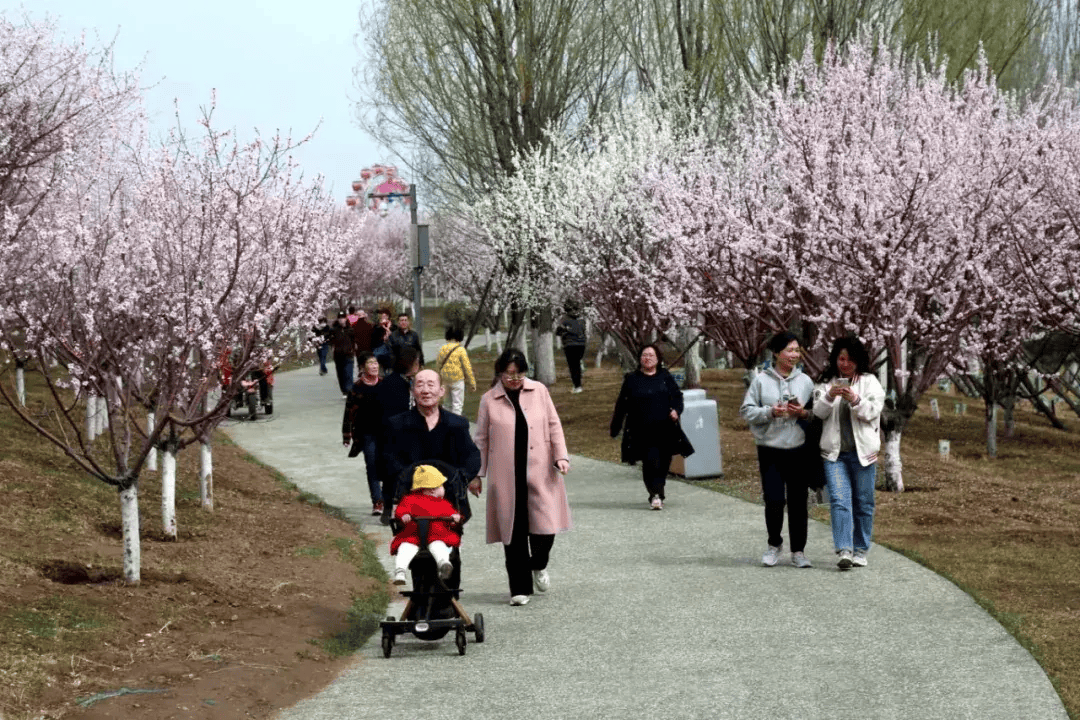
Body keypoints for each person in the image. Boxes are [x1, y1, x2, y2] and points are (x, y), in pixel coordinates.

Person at [471, 348, 572, 607]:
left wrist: (561, 456)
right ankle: (519, 587)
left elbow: (553, 424)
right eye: (510, 375)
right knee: (513, 533)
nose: (515, 380)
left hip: (539, 469)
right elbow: (481, 439)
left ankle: (538, 564)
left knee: (545, 528)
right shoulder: (489, 400)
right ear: (500, 373)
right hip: (506, 475)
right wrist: (476, 474)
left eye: (520, 374)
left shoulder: (539, 391)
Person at [739, 331, 815, 568]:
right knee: (773, 499)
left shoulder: (806, 382)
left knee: (798, 501)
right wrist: (770, 412)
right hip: (770, 449)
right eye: (789, 350)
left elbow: (815, 416)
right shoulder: (761, 380)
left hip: (798, 449)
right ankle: (774, 545)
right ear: (776, 353)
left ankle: (799, 551)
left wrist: (800, 412)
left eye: (796, 350)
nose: (794, 355)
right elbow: (746, 411)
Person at [813, 336, 885, 570]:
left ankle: (861, 549)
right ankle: (844, 549)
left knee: (864, 502)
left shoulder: (869, 382)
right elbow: (819, 412)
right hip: (835, 455)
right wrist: (830, 395)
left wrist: (855, 399)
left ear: (858, 361)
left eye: (850, 360)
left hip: (863, 454)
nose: (844, 364)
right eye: (841, 359)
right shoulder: (826, 383)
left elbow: (873, 411)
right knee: (839, 500)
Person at [381, 368, 481, 526]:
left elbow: (472, 456)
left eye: (431, 384)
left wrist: (459, 478)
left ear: (441, 391)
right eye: (420, 385)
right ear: (413, 391)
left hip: (448, 500)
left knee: (447, 547)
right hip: (410, 501)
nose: (426, 390)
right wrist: (409, 480)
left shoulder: (457, 424)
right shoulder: (397, 424)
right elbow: (387, 459)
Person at [609, 344, 687, 510]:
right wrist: (615, 426)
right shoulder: (632, 378)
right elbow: (621, 404)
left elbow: (677, 397)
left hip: (665, 428)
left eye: (651, 355)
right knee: (650, 462)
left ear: (658, 359)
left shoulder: (665, 376)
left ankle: (660, 489)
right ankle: (655, 494)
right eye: (644, 355)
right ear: (640, 359)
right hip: (642, 429)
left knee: (665, 461)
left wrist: (676, 410)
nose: (647, 358)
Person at [390, 465, 462, 584]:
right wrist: (404, 515)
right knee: (405, 548)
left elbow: (453, 517)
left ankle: (444, 564)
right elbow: (400, 510)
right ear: (432, 489)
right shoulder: (410, 500)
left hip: (436, 535)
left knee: (438, 546)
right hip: (413, 535)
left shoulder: (443, 504)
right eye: (441, 486)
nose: (443, 489)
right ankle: (400, 571)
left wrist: (455, 518)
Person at [342, 351, 389, 516]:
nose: (374, 366)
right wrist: (347, 435)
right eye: (370, 363)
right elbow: (349, 412)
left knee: (387, 465)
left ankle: (386, 496)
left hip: (385, 433)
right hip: (366, 433)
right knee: (372, 465)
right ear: (363, 367)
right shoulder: (357, 387)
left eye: (376, 363)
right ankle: (377, 501)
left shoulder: (385, 384)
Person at [436, 326, 476, 416]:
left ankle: (446, 424)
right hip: (457, 380)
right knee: (457, 405)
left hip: (445, 379)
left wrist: (439, 379)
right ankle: (456, 425)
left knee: (446, 405)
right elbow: (467, 367)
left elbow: (438, 365)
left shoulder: (442, 348)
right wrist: (472, 382)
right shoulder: (461, 349)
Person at [556, 304, 587, 393]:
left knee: (573, 366)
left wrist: (565, 330)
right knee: (576, 364)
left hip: (570, 345)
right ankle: (578, 384)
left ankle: (577, 386)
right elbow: (583, 332)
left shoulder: (564, 319)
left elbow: (558, 332)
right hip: (581, 345)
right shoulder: (582, 320)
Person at [329, 311, 355, 396]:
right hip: (338, 355)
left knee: (348, 373)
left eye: (343, 318)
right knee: (341, 374)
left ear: (346, 318)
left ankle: (349, 391)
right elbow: (330, 340)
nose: (341, 320)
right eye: (340, 318)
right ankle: (344, 390)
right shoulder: (334, 330)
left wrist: (352, 350)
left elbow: (354, 341)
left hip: (348, 355)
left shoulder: (350, 329)